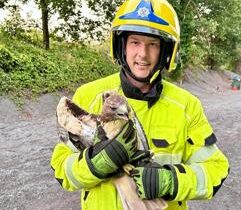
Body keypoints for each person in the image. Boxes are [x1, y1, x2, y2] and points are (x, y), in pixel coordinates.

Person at [50, 0, 230, 209]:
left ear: (166, 51)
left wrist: (169, 181)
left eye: (152, 44)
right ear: (122, 46)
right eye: (135, 42)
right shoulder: (87, 94)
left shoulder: (187, 106)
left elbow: (216, 170)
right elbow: (61, 168)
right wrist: (93, 165)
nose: (143, 54)